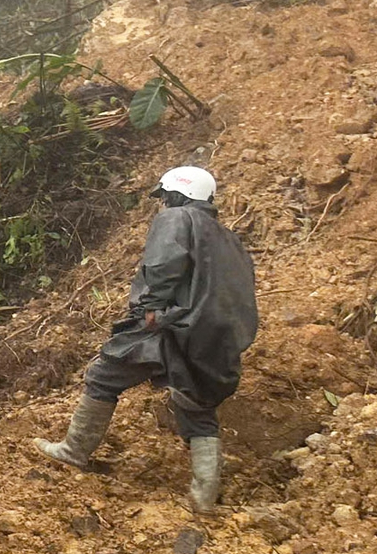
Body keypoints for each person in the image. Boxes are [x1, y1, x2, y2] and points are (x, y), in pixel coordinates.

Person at [36, 166, 257, 512]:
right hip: (214, 337)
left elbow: (163, 264)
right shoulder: (230, 239)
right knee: (198, 407)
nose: (164, 203)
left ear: (179, 195)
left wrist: (151, 306)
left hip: (169, 325)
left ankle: (73, 451)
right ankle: (204, 498)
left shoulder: (177, 219)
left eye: (166, 196)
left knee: (104, 375)